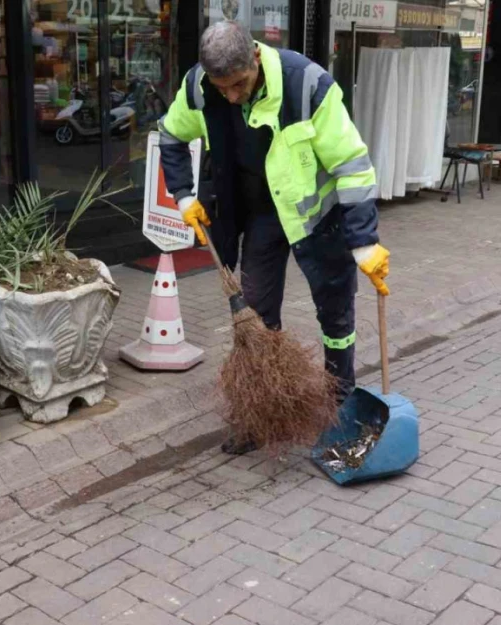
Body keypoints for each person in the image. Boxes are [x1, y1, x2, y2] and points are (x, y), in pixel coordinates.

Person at [157, 21, 390, 454]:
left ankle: (339, 411)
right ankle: (260, 415)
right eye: (221, 87)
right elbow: (170, 135)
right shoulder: (199, 88)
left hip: (317, 218)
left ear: (257, 58)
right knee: (257, 315)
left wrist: (365, 242)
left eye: (238, 84)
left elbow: (353, 166)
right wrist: (185, 195)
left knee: (336, 316)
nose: (230, 95)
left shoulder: (309, 86)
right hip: (260, 215)